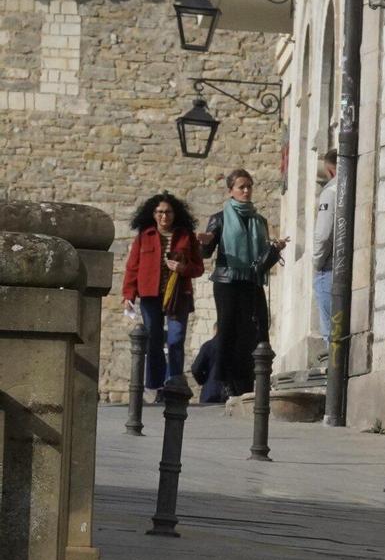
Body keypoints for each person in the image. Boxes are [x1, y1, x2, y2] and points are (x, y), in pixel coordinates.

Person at [197, 168, 287, 402]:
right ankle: (224, 382)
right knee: (227, 330)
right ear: (231, 191)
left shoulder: (259, 221)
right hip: (227, 282)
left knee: (256, 330)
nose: (246, 191)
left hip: (251, 282)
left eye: (249, 186)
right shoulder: (220, 218)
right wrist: (205, 243)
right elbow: (206, 253)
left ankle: (248, 381)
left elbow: (261, 265)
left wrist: (274, 251)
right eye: (241, 187)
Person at [122, 192, 203, 395]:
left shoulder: (186, 236)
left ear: (175, 214)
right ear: (153, 214)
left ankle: (174, 383)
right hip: (150, 295)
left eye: (168, 212)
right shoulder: (144, 236)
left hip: (178, 294)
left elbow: (198, 268)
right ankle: (155, 385)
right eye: (159, 212)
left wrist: (182, 268)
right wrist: (128, 295)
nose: (164, 216)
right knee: (154, 341)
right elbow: (133, 267)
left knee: (176, 339)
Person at [312, 151, 338, 361]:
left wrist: (317, 262)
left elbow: (323, 234)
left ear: (330, 169)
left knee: (331, 334)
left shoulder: (331, 191)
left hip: (329, 267)